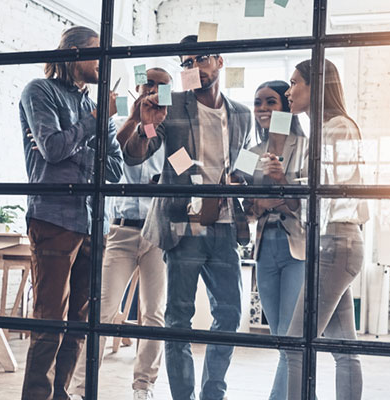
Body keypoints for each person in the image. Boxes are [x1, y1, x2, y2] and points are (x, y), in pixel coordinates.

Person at [123, 35, 252, 400]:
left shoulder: (240, 114)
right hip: (182, 227)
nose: (193, 67)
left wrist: (248, 179)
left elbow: (244, 162)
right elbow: (137, 153)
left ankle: (214, 392)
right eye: (187, 62)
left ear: (220, 62)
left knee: (228, 316)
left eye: (201, 59)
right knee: (178, 319)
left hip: (226, 229)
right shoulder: (172, 103)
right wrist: (145, 125)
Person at [18, 26, 123, 400]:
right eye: (99, 52)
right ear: (75, 53)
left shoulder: (95, 107)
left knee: (80, 322)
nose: (104, 61)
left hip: (95, 222)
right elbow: (52, 149)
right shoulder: (40, 91)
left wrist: (78, 138)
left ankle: (59, 394)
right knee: (49, 319)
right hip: (54, 219)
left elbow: (116, 168)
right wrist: (91, 129)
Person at [68, 67, 172, 400]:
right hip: (122, 231)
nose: (153, 91)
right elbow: (108, 163)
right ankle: (85, 388)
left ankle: (144, 385)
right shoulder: (115, 127)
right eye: (147, 84)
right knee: (101, 311)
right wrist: (135, 120)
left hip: (159, 234)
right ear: (138, 88)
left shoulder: (173, 134)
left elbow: (186, 174)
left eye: (161, 87)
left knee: (155, 314)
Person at [284, 59, 368, 400]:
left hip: (336, 241)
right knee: (343, 349)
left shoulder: (337, 128)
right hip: (333, 243)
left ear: (315, 85)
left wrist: (291, 184)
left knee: (294, 346)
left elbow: (335, 188)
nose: (289, 92)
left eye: (295, 83)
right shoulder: (324, 129)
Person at [243, 81, 307, 400]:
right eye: (258, 103)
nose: (263, 109)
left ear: (287, 107)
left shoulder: (307, 147)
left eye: (271, 102)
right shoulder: (249, 153)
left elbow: (305, 204)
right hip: (265, 247)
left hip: (297, 248)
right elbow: (239, 202)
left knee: (289, 336)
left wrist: (281, 186)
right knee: (280, 338)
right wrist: (257, 204)